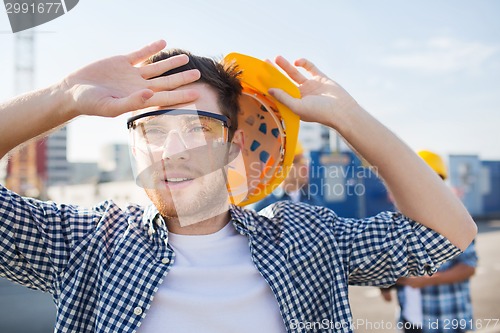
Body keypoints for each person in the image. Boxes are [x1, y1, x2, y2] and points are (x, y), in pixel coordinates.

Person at [0, 40, 477, 333]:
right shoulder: (87, 245)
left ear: (233, 147)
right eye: (154, 132)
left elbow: (447, 232)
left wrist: (346, 118)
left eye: (198, 129)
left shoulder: (305, 240)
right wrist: (62, 98)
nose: (173, 151)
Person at [380, 150, 478, 333]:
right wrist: (385, 285)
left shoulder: (456, 219)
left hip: (446, 321)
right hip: (409, 321)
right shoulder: (401, 220)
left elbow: (468, 267)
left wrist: (427, 280)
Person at [253, 141, 323, 210]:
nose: (304, 167)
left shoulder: (315, 203)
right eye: (296, 161)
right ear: (279, 167)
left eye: (305, 161)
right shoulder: (264, 205)